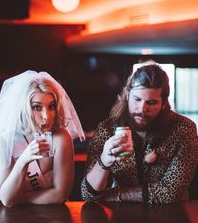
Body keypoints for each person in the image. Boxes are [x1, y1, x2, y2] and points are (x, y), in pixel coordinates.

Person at [81, 61, 198, 204]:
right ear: (128, 95)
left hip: (171, 217)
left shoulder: (184, 128)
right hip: (121, 219)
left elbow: (172, 192)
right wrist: (104, 161)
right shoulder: (107, 129)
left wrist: (117, 194)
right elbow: (87, 194)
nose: (142, 108)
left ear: (164, 104)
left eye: (151, 103)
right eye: (137, 99)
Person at [0, 70, 85, 207]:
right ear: (24, 108)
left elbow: (60, 195)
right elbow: (7, 200)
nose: (46, 116)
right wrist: (24, 160)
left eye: (51, 106)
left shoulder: (61, 138)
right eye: (37, 107)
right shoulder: (6, 141)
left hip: (55, 219)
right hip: (14, 221)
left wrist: (18, 197)